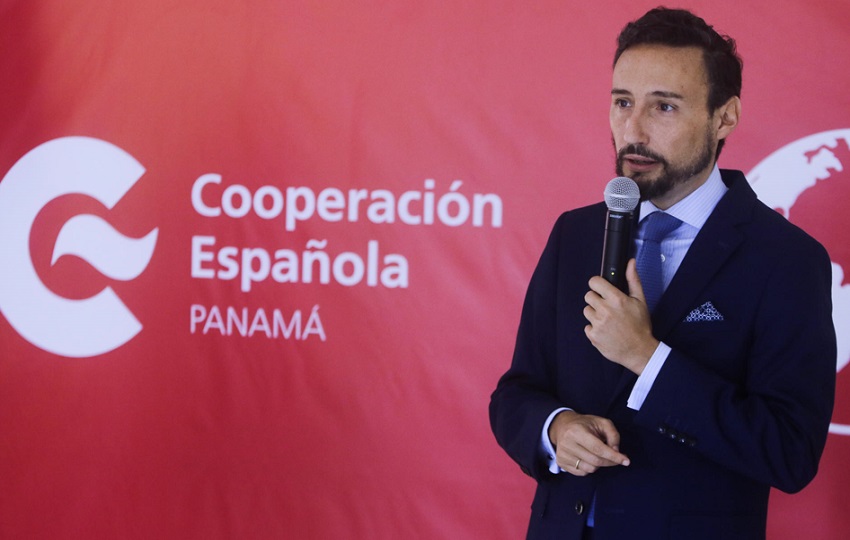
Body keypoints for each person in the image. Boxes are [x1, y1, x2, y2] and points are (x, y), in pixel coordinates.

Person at [489, 7, 836, 540]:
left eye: (664, 107)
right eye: (622, 102)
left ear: (724, 117)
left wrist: (646, 358)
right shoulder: (575, 234)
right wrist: (553, 429)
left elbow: (788, 452)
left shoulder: (786, 259)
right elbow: (516, 393)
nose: (633, 130)